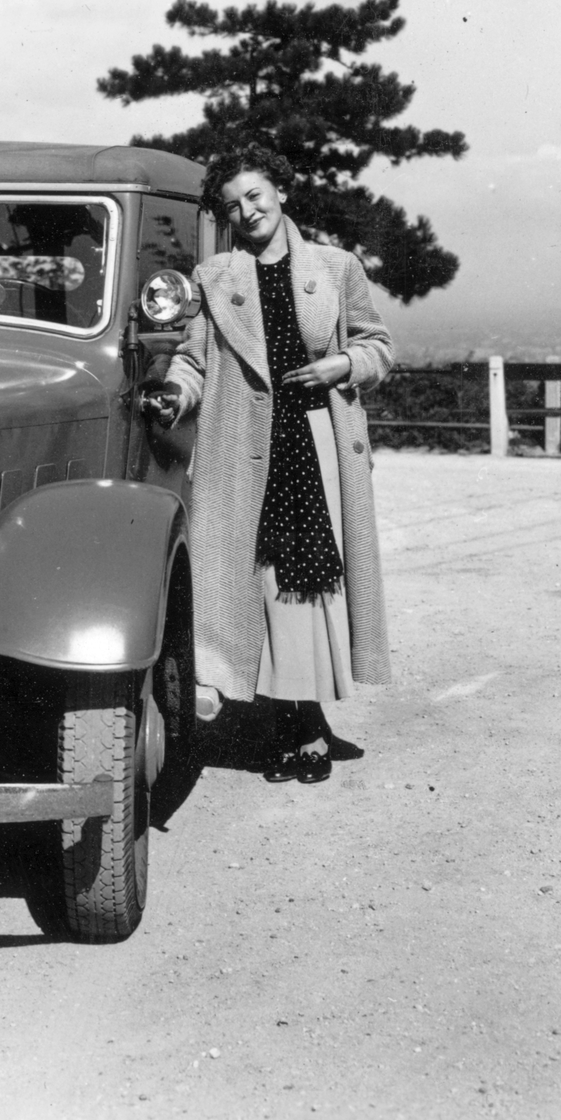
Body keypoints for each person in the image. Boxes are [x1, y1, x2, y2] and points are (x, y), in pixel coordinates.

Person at [150, 144, 394, 782]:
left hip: (316, 441)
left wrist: (343, 363)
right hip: (241, 446)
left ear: (280, 192)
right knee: (255, 582)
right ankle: (289, 720)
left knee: (304, 585)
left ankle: (302, 724)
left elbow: (377, 346)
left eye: (255, 195)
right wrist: (176, 393)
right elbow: (194, 359)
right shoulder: (214, 276)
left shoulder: (337, 267)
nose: (247, 211)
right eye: (232, 206)